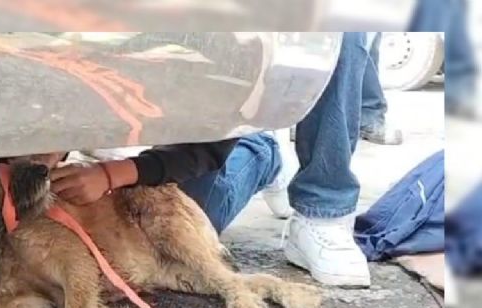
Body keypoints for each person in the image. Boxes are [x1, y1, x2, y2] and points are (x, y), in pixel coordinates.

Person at [50, 33, 375, 287]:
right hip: (136, 108)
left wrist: (113, 174)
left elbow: (206, 149)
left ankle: (270, 159)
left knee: (181, 229)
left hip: (209, 120)